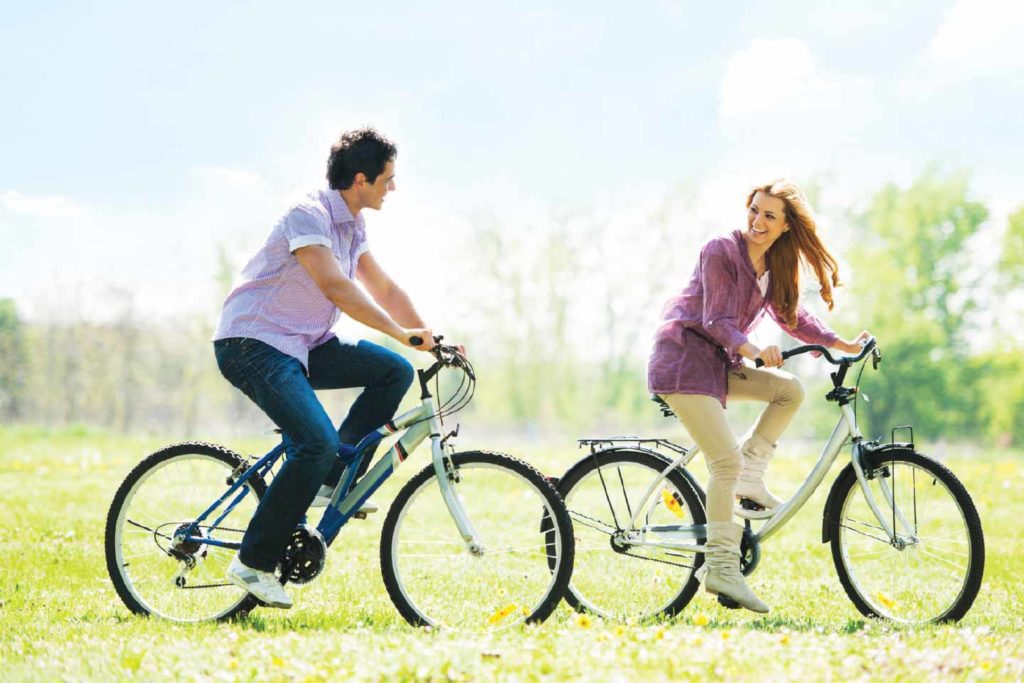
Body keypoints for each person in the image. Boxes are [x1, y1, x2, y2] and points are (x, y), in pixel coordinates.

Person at [213, 128, 436, 608]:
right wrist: (398, 332)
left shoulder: (353, 226)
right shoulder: (307, 213)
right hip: (254, 341)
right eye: (387, 180)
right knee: (314, 440)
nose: (392, 188)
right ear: (361, 179)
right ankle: (252, 562)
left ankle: (334, 474)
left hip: (305, 343)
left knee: (393, 372)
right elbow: (337, 287)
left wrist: (427, 338)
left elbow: (385, 289)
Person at [647, 179, 871, 613]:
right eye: (754, 210)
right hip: (682, 361)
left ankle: (751, 476)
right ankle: (721, 569)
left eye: (770, 215)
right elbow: (716, 319)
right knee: (723, 462)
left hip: (716, 365)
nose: (758, 221)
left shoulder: (771, 266)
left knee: (789, 390)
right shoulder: (720, 251)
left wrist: (839, 343)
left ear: (786, 226)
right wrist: (752, 350)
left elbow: (791, 316)